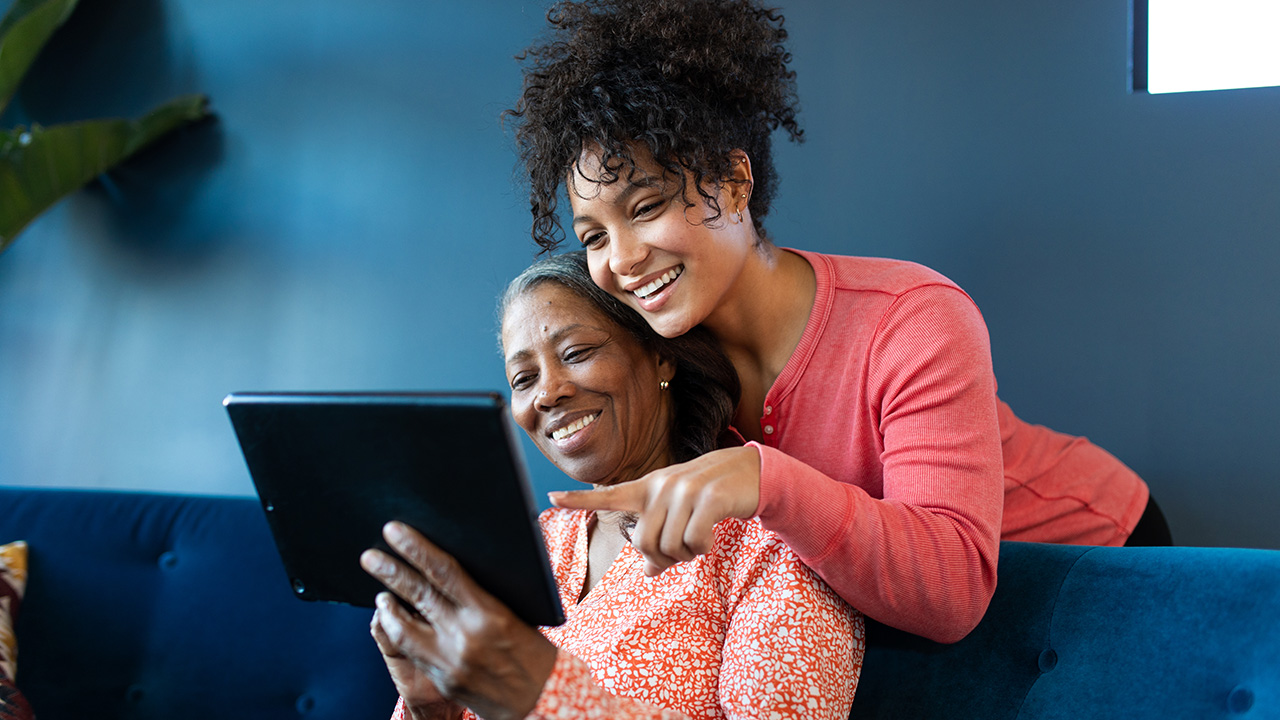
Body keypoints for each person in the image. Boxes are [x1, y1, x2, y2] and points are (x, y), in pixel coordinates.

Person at [505, 0, 1172, 644]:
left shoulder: (912, 318)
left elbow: (952, 587)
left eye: (646, 206)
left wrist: (765, 481)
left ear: (735, 185)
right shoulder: (662, 355)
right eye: (593, 236)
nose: (621, 260)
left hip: (1086, 553)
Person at [361, 251, 864, 720]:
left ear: (661, 356)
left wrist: (540, 694)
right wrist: (433, 709)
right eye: (522, 378)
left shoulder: (772, 541)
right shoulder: (532, 543)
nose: (548, 393)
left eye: (576, 351)